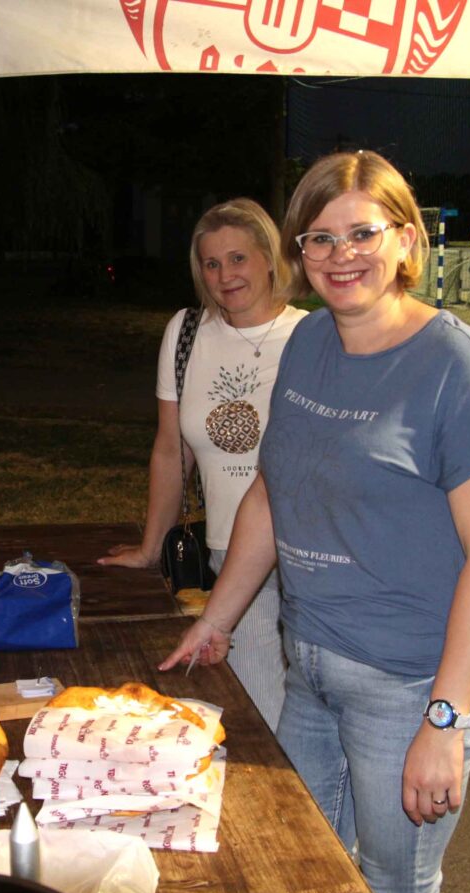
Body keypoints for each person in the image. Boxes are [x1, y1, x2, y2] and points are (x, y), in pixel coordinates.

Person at [159, 151, 470, 893]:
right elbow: (270, 491)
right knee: (303, 870)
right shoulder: (311, 345)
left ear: (405, 240)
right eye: (317, 240)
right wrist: (216, 618)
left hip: (409, 684)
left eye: (361, 233)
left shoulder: (456, 367)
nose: (339, 256)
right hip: (313, 672)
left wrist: (445, 720)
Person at [99, 198, 306, 730]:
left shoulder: (310, 338)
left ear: (269, 258)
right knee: (252, 706)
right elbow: (172, 450)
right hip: (225, 553)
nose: (224, 276)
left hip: (303, 557)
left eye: (238, 259)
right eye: (211, 264)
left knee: (285, 715)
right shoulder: (187, 333)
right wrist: (151, 547)